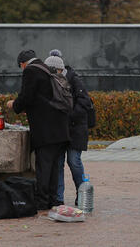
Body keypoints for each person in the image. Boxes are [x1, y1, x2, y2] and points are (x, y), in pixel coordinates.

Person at [6, 49, 69, 210]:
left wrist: (15, 105)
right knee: (54, 167)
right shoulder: (46, 68)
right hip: (60, 127)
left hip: (46, 129)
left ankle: (42, 201)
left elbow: (27, 96)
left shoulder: (31, 71)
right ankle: (54, 200)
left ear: (22, 64)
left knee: (44, 166)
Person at [48, 49, 96, 206]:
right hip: (61, 129)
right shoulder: (51, 80)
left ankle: (81, 192)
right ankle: (59, 198)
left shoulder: (74, 79)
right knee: (60, 162)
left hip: (76, 129)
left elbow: (85, 103)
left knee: (74, 161)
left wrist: (69, 116)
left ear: (61, 68)